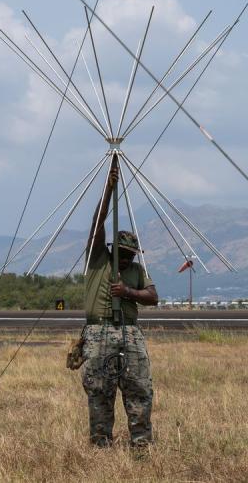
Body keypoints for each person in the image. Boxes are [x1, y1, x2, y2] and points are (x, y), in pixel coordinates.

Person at [80, 156, 158, 448]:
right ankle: (101, 444)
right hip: (99, 332)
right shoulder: (98, 259)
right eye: (122, 253)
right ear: (113, 249)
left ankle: (141, 444)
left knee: (138, 388)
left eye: (130, 255)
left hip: (130, 332)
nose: (126, 259)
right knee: (100, 390)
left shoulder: (137, 271)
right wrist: (109, 190)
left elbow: (153, 297)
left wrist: (128, 292)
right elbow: (97, 223)